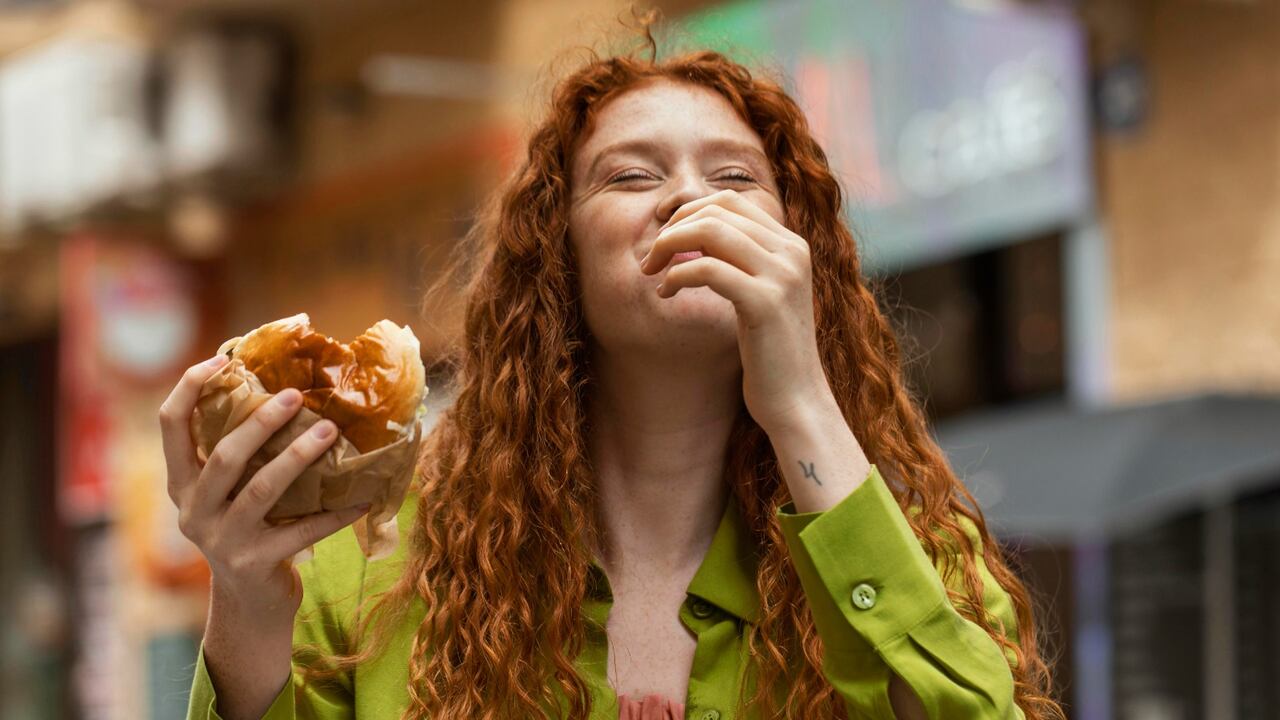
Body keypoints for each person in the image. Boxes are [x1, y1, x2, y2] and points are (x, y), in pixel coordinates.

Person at [164, 18, 1064, 720]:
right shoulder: (374, 557)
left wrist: (800, 400)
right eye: (632, 177)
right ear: (558, 265)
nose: (688, 197)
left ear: (802, 254)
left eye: (736, 179)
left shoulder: (910, 555)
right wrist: (245, 597)